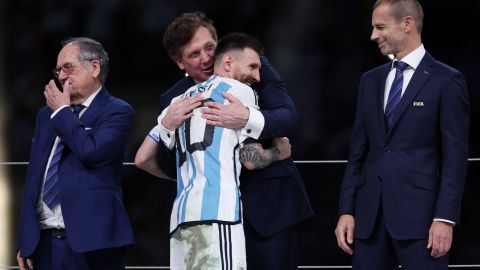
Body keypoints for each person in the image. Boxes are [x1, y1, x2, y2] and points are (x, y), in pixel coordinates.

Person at [135, 11, 313, 269]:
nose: (207, 58)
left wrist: (245, 117)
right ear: (179, 62)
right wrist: (168, 127)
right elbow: (163, 160)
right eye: (195, 54)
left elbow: (288, 118)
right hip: (210, 213)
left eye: (210, 47)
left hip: (268, 209)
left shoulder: (251, 64)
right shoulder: (173, 100)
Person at [334, 0, 470, 269]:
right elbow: (358, 152)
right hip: (369, 220)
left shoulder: (446, 80)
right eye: (373, 27)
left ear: (407, 24)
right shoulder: (370, 80)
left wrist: (445, 218)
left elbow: (455, 157)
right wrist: (346, 210)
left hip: (423, 221)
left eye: (380, 26)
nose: (373, 35)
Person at [17, 37, 135, 270]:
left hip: (94, 244)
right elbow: (34, 176)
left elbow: (90, 151)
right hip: (44, 244)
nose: (60, 77)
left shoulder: (117, 111)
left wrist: (62, 111)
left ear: (94, 67)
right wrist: (25, 239)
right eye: (58, 70)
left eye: (68, 68)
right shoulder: (45, 115)